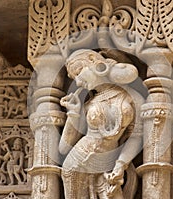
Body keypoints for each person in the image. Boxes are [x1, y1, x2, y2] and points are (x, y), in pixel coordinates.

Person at [59, 49, 144, 198]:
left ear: (93, 59)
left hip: (108, 164)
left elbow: (136, 137)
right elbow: (63, 148)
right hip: (76, 165)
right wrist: (73, 114)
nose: (78, 82)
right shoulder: (88, 105)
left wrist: (121, 164)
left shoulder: (133, 97)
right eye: (74, 78)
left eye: (79, 72)